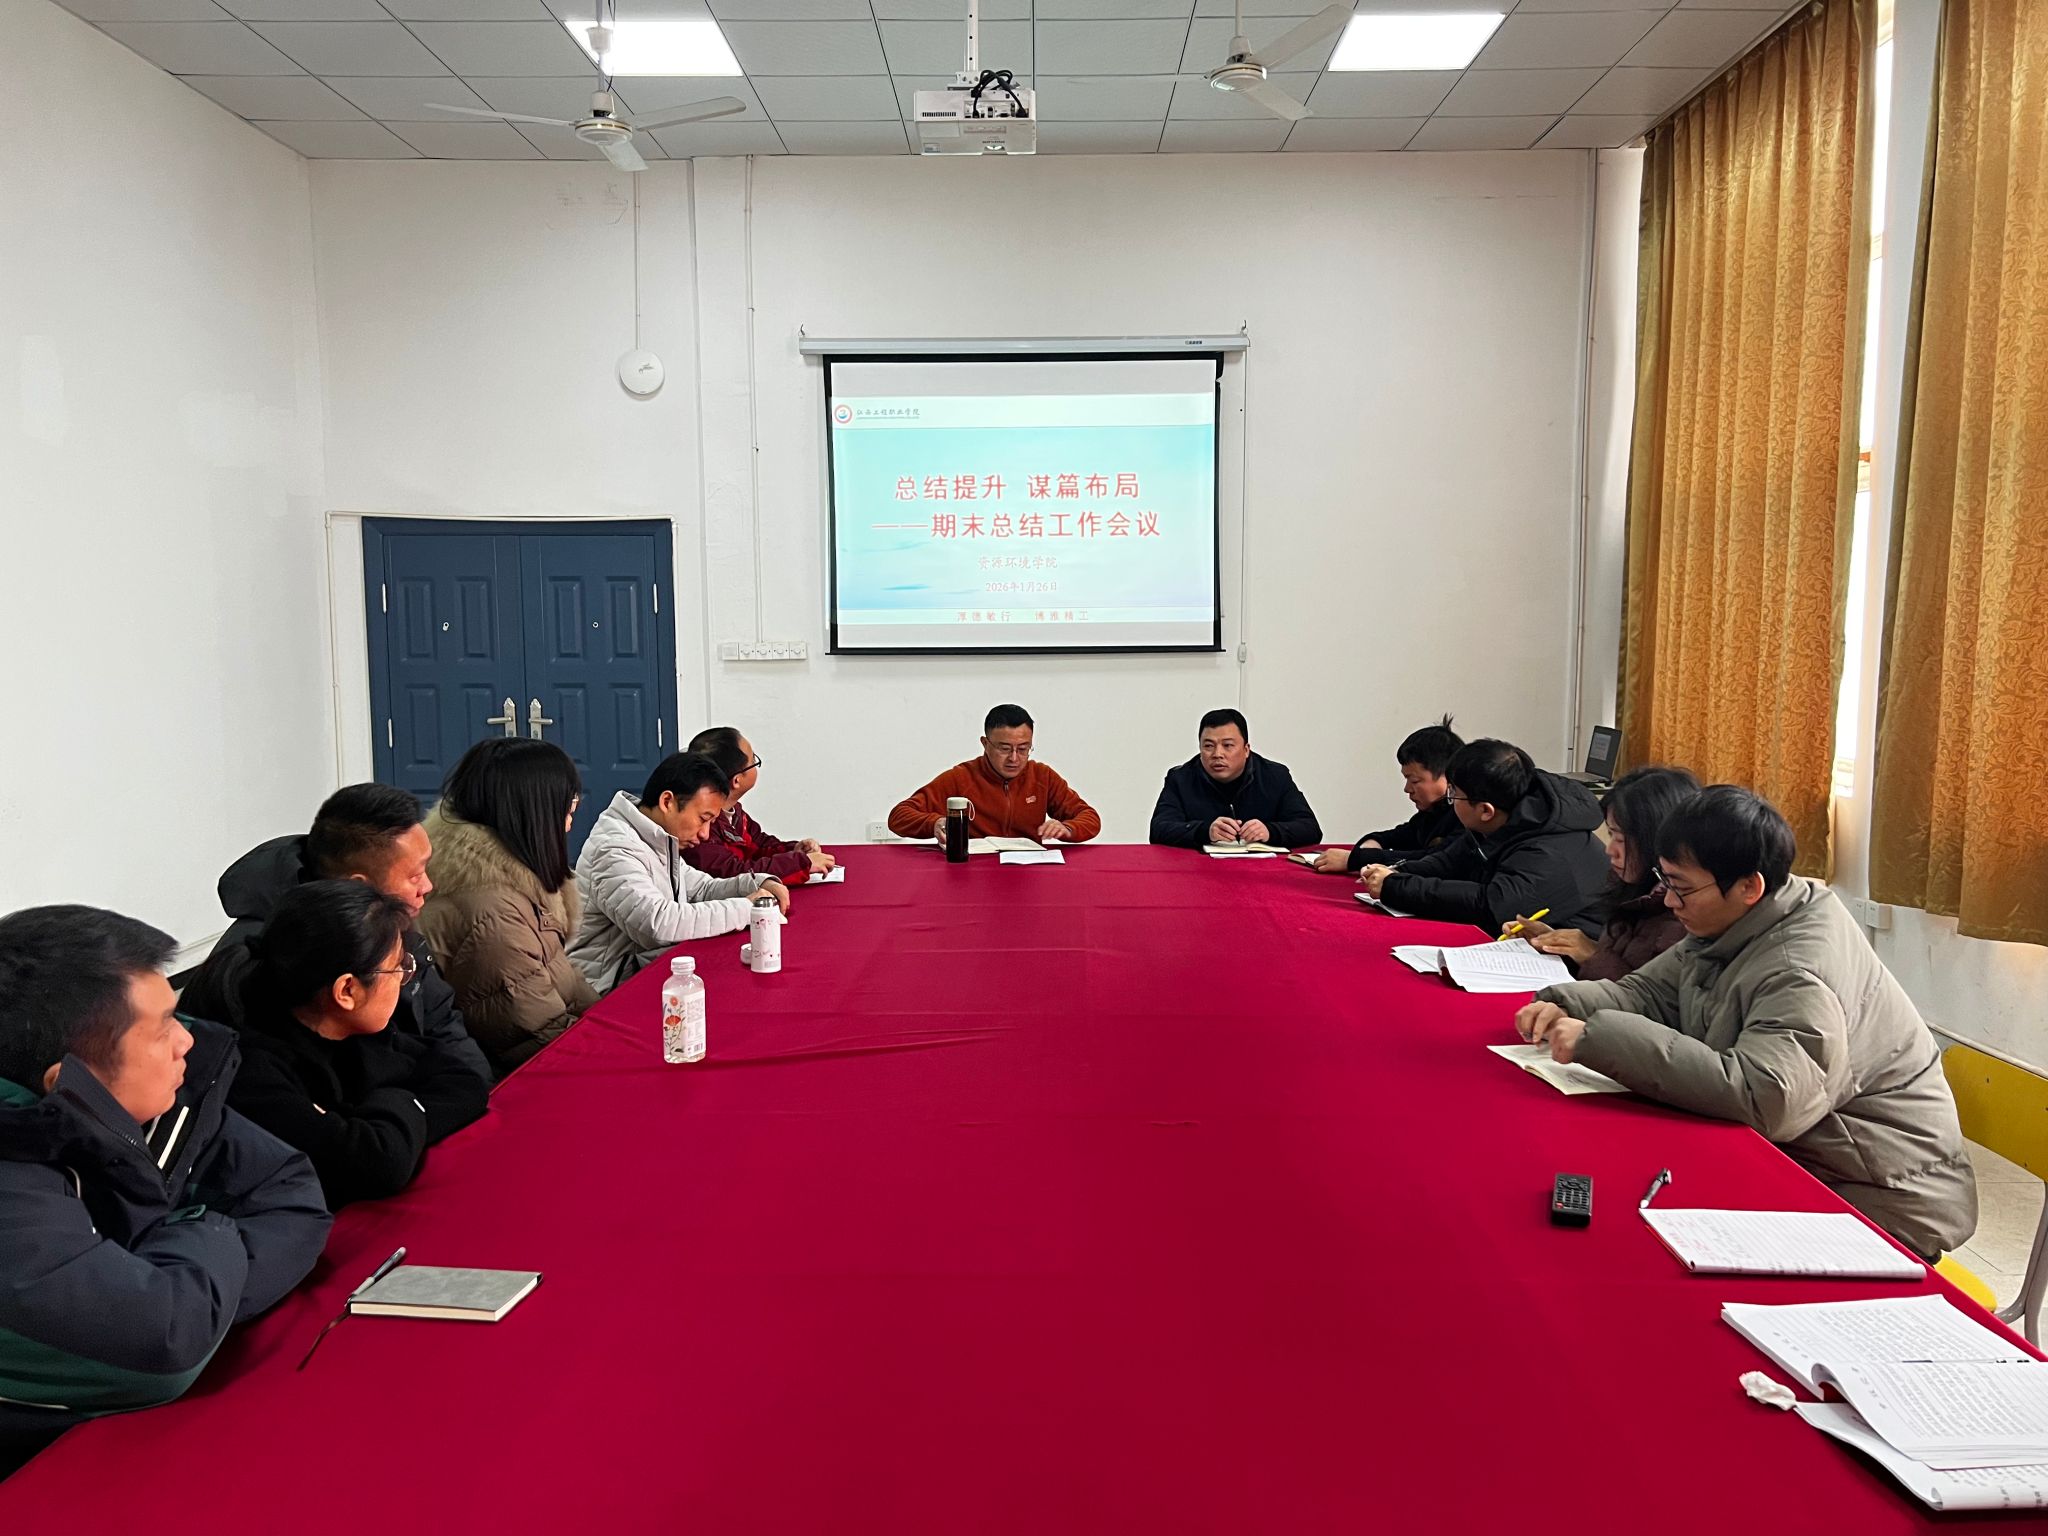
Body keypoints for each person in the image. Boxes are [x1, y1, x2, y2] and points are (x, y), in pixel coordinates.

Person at [1516, 786, 1977, 1261]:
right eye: (1665, 881)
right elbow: (1648, 994)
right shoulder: (1736, 921)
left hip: (1875, 1196)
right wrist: (1566, 1003)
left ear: (1748, 887)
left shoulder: (1799, 969)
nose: (1669, 900)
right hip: (1801, 1158)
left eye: (1682, 887)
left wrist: (1599, 1037)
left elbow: (1766, 1097)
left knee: (1628, 1242)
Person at [0, 906, 331, 1475]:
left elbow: (290, 1191)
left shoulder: (153, 1099)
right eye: (163, 1028)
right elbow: (164, 1344)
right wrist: (204, 1233)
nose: (187, 1041)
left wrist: (201, 1301)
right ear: (72, 1081)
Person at [204, 882, 490, 1209]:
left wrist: (382, 1119)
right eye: (397, 967)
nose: (403, 977)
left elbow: (464, 1082)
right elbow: (376, 1166)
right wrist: (404, 1105)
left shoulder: (354, 1030)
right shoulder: (253, 1071)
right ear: (347, 991)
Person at [185, 783, 489, 1082]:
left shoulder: (389, 920)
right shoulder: (268, 961)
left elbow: (442, 1022)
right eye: (414, 876)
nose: (427, 886)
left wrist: (477, 1089)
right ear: (358, 886)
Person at [415, 738, 599, 1078]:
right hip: (507, 1077)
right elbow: (531, 1032)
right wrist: (611, 1053)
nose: (570, 820)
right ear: (532, 812)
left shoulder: (510, 874)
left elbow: (557, 974)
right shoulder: (491, 909)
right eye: (567, 806)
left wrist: (607, 1022)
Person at [569, 752, 791, 994]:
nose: (706, 833)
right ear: (667, 802)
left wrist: (756, 884)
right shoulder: (613, 848)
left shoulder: (657, 838)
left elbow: (703, 889)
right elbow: (659, 924)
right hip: (605, 993)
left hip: (648, 972)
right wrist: (748, 908)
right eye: (703, 819)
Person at [1359, 738, 1608, 934]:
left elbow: (1489, 905)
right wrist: (1396, 871)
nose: (1450, 800)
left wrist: (1396, 887)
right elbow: (1448, 862)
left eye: (1454, 794)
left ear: (1486, 811)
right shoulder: (1506, 818)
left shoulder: (1549, 849)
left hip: (1573, 967)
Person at [1504, 766, 1699, 980]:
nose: (1609, 849)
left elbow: (1648, 995)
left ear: (1655, 840)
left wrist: (1592, 955)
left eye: (1620, 839)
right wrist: (1556, 942)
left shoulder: (1683, 915)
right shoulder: (1631, 888)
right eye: (1610, 834)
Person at [887, 704, 1101, 843]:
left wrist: (1067, 828)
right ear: (985, 744)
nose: (1014, 758)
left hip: (1028, 871)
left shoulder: (1042, 776)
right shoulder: (961, 778)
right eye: (1005, 749)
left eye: (1023, 749)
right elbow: (899, 816)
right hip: (974, 871)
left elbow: (1090, 818)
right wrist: (934, 823)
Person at [1312, 715, 1464, 874]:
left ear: (1448, 776)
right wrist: (1372, 843)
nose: (1407, 789)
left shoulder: (1465, 818)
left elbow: (1434, 859)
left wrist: (1357, 859)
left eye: (1415, 780)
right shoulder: (1430, 815)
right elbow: (1393, 837)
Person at [1149, 708, 1321, 848]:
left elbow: (1310, 828)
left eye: (1228, 745)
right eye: (1208, 746)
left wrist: (1270, 831)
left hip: (1261, 869)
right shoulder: (1181, 779)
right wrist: (1204, 831)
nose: (1217, 754)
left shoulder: (1275, 776)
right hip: (1201, 869)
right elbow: (1158, 829)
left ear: (1246, 750)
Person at [683, 726, 834, 885]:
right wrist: (801, 864)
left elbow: (759, 846)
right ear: (737, 780)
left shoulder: (734, 813)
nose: (756, 764)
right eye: (753, 760)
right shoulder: (701, 830)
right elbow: (735, 874)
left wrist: (794, 850)